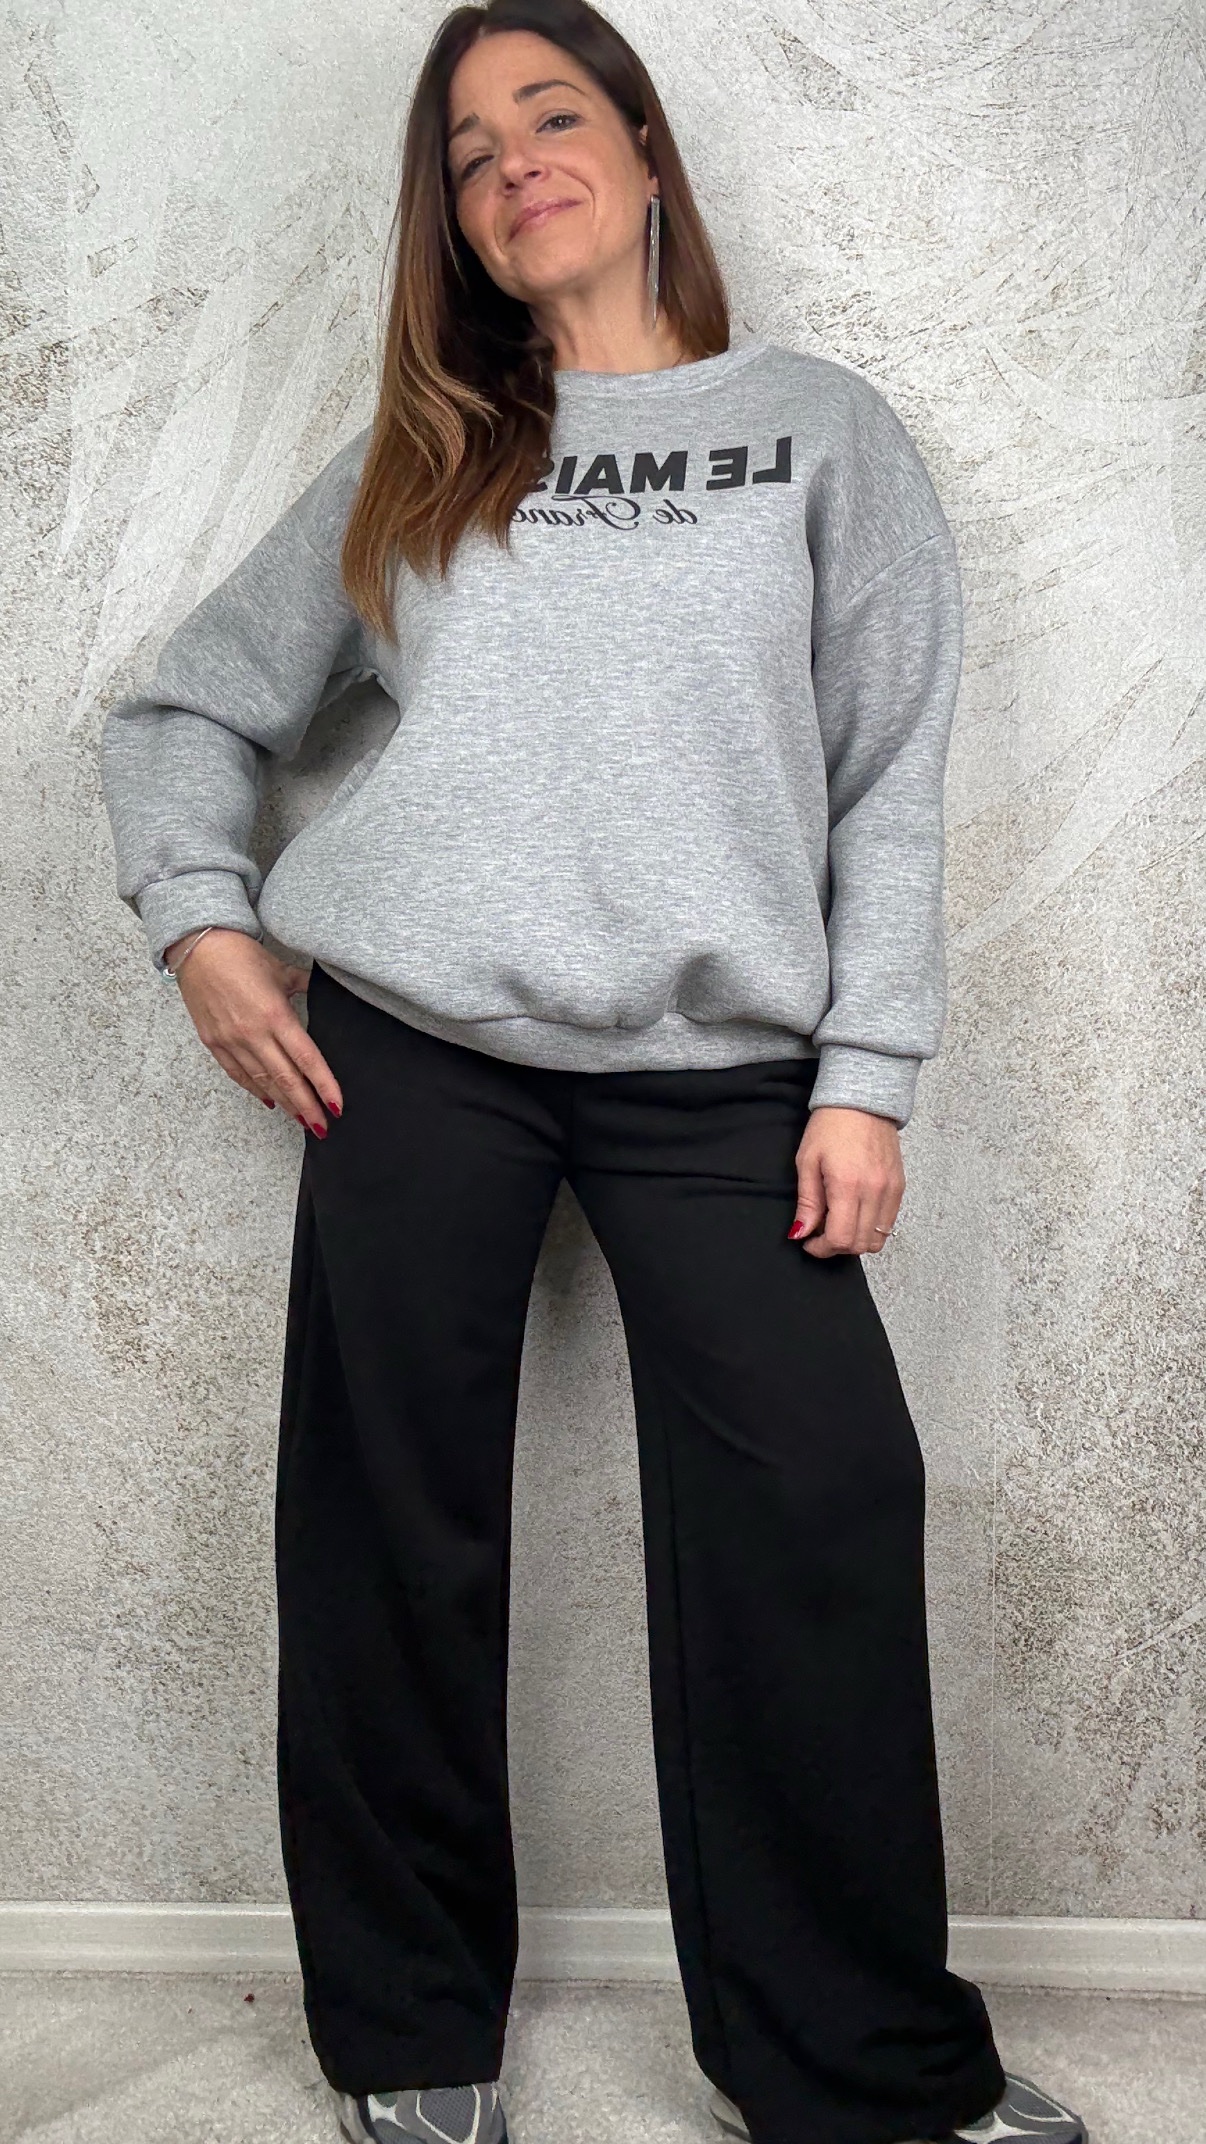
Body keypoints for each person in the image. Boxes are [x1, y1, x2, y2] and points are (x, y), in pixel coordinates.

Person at [99, 4, 1090, 2142]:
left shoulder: (818, 430)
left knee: (819, 1504)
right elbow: (186, 712)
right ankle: (411, 2039)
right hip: (415, 1052)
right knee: (389, 1528)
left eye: (551, 115)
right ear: (454, 222)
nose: (512, 162)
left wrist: (867, 1073)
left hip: (726, 1076)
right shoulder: (424, 458)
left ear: (644, 153)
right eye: (468, 151)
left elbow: (888, 778)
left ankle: (856, 2063)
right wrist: (202, 923)